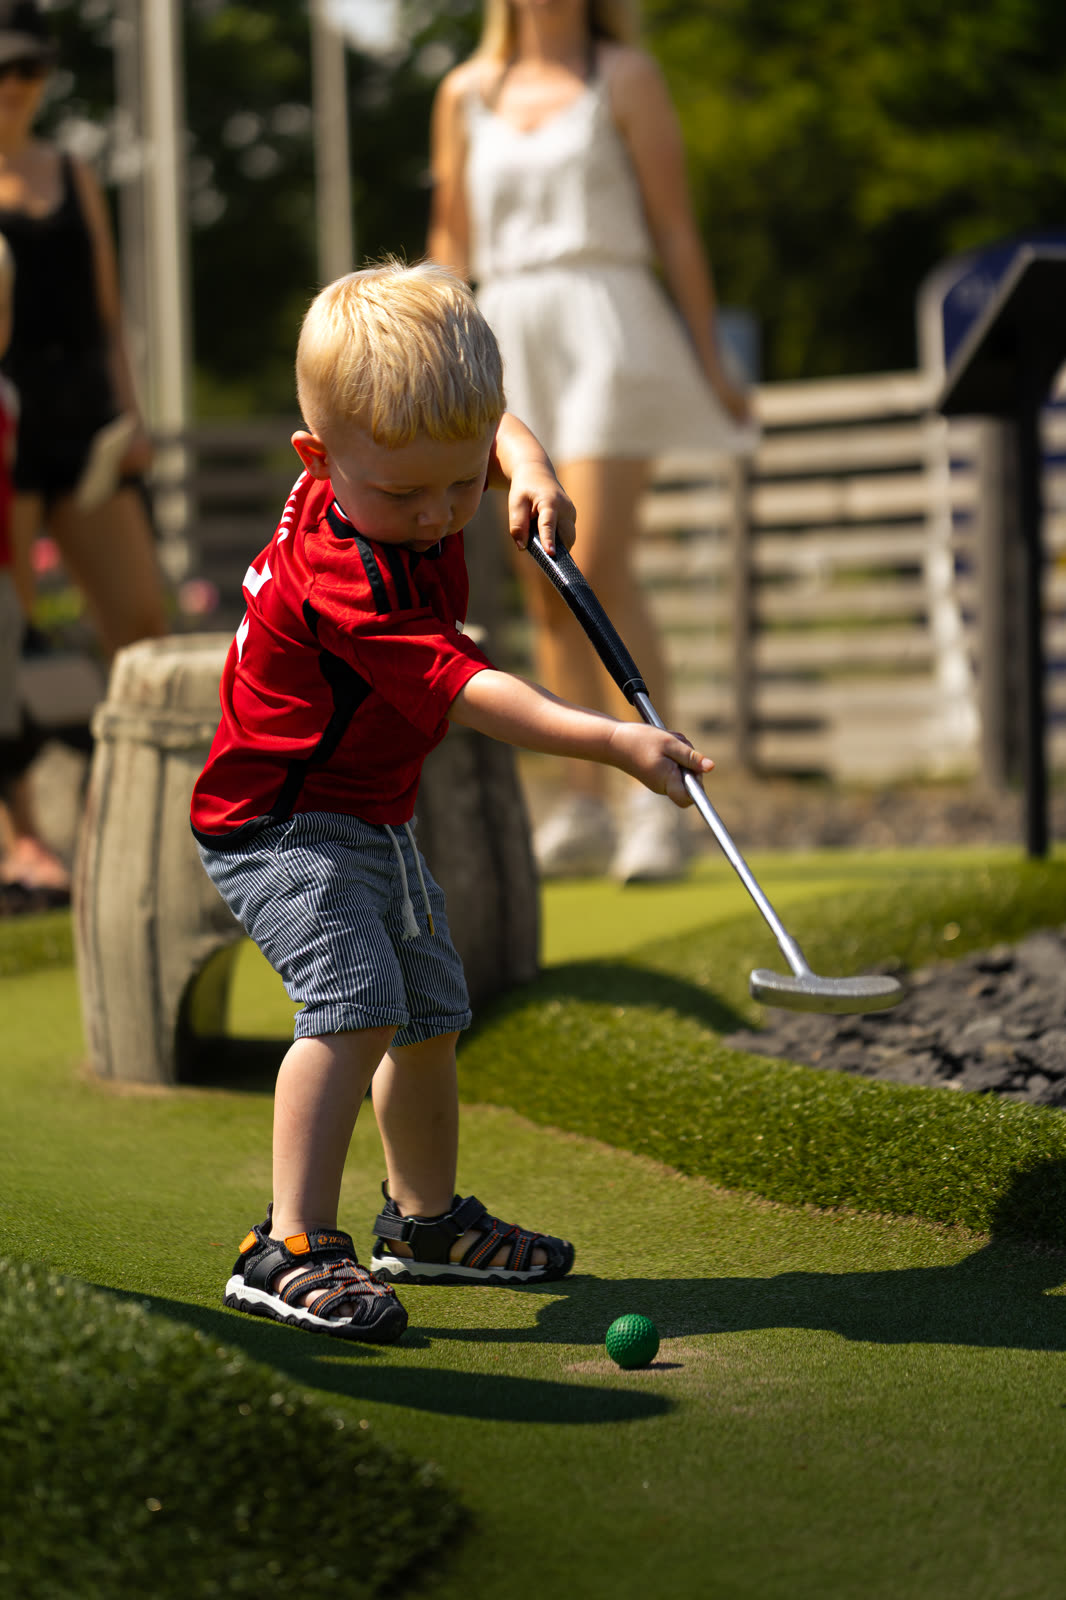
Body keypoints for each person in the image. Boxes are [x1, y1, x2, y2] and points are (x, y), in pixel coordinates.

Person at [190, 261, 714, 1342]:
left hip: (369, 809)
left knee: (428, 1013)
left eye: (459, 482)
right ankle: (286, 1243)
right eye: (406, 493)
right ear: (318, 460)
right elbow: (472, 690)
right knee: (356, 1004)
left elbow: (488, 422)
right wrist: (615, 742)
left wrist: (526, 468)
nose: (436, 516)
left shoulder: (410, 462)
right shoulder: (347, 571)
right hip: (276, 820)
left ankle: (423, 1225)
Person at [428, 0, 754, 882]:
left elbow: (674, 227)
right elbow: (451, 243)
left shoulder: (628, 79)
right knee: (545, 575)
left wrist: (713, 361)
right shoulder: (462, 91)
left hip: (612, 329)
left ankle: (665, 804)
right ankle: (582, 803)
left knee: (598, 559)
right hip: (507, 334)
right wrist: (433, 356)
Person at [0, 0, 165, 652]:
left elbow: (107, 315)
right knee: (8, 638)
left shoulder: (75, 174)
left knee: (142, 623)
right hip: (3, 433)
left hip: (86, 429)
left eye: (31, 67)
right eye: (4, 66)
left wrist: (131, 416)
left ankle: (128, 757)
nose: (15, 82)